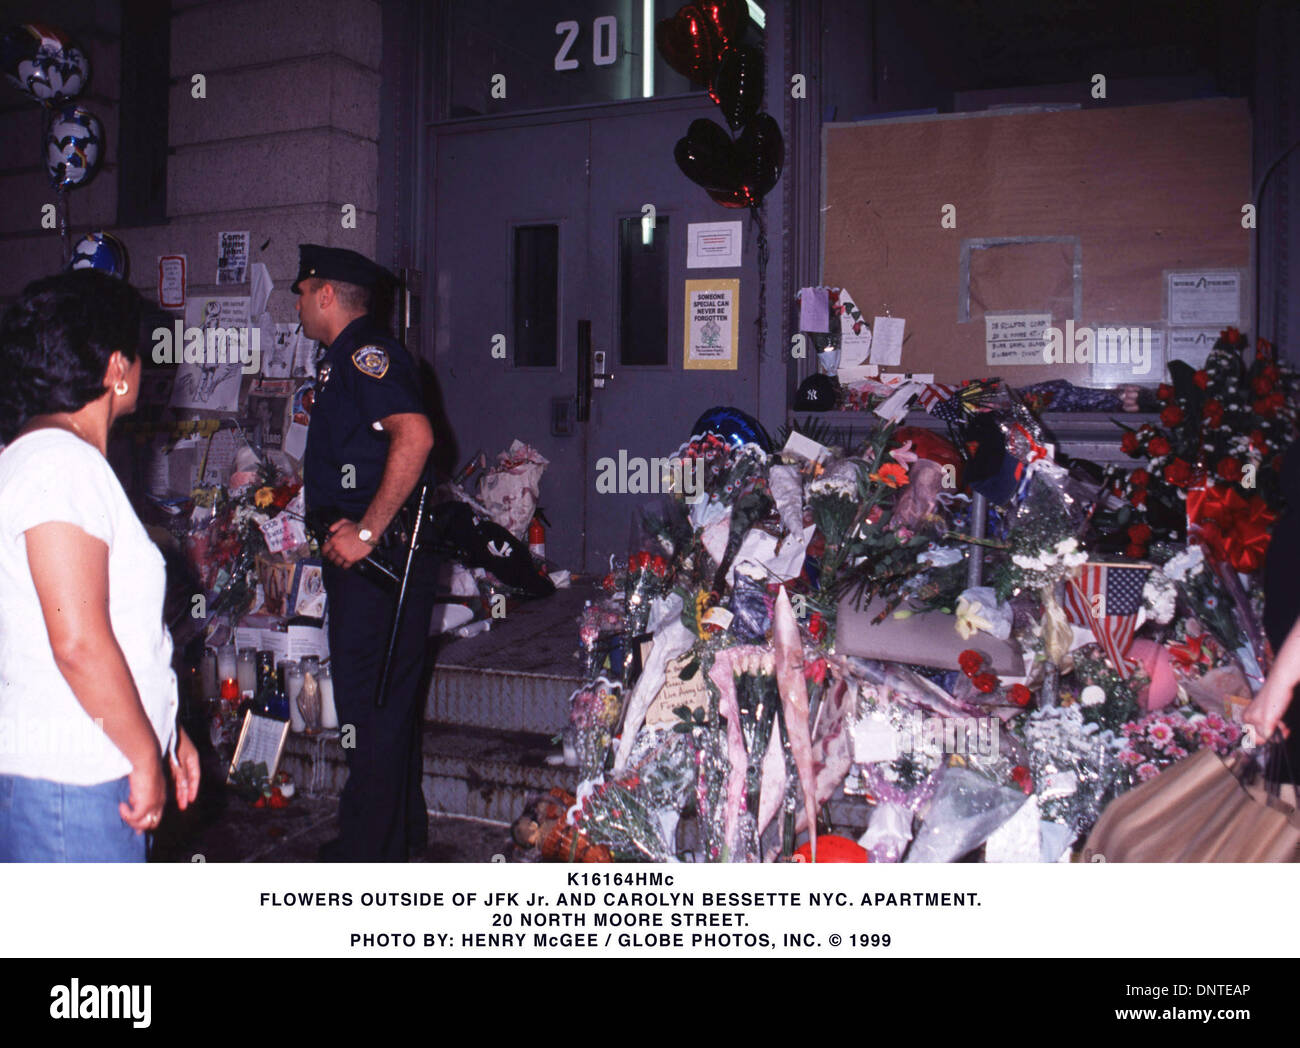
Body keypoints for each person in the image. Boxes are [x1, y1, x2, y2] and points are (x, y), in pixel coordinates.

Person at [0, 270, 200, 861]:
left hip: (76, 767)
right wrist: (143, 755)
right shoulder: (61, 465)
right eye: (138, 355)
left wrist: (164, 731)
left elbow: (110, 634)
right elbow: (79, 643)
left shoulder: (42, 458)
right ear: (116, 368)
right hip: (74, 782)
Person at [294, 244, 437, 861]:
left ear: (325, 294)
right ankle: (391, 843)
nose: (297, 303)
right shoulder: (344, 359)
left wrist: (367, 532)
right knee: (383, 707)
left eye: (301, 291)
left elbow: (417, 434)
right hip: (375, 562)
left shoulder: (364, 354)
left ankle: (368, 859)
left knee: (369, 708)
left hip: (379, 562)